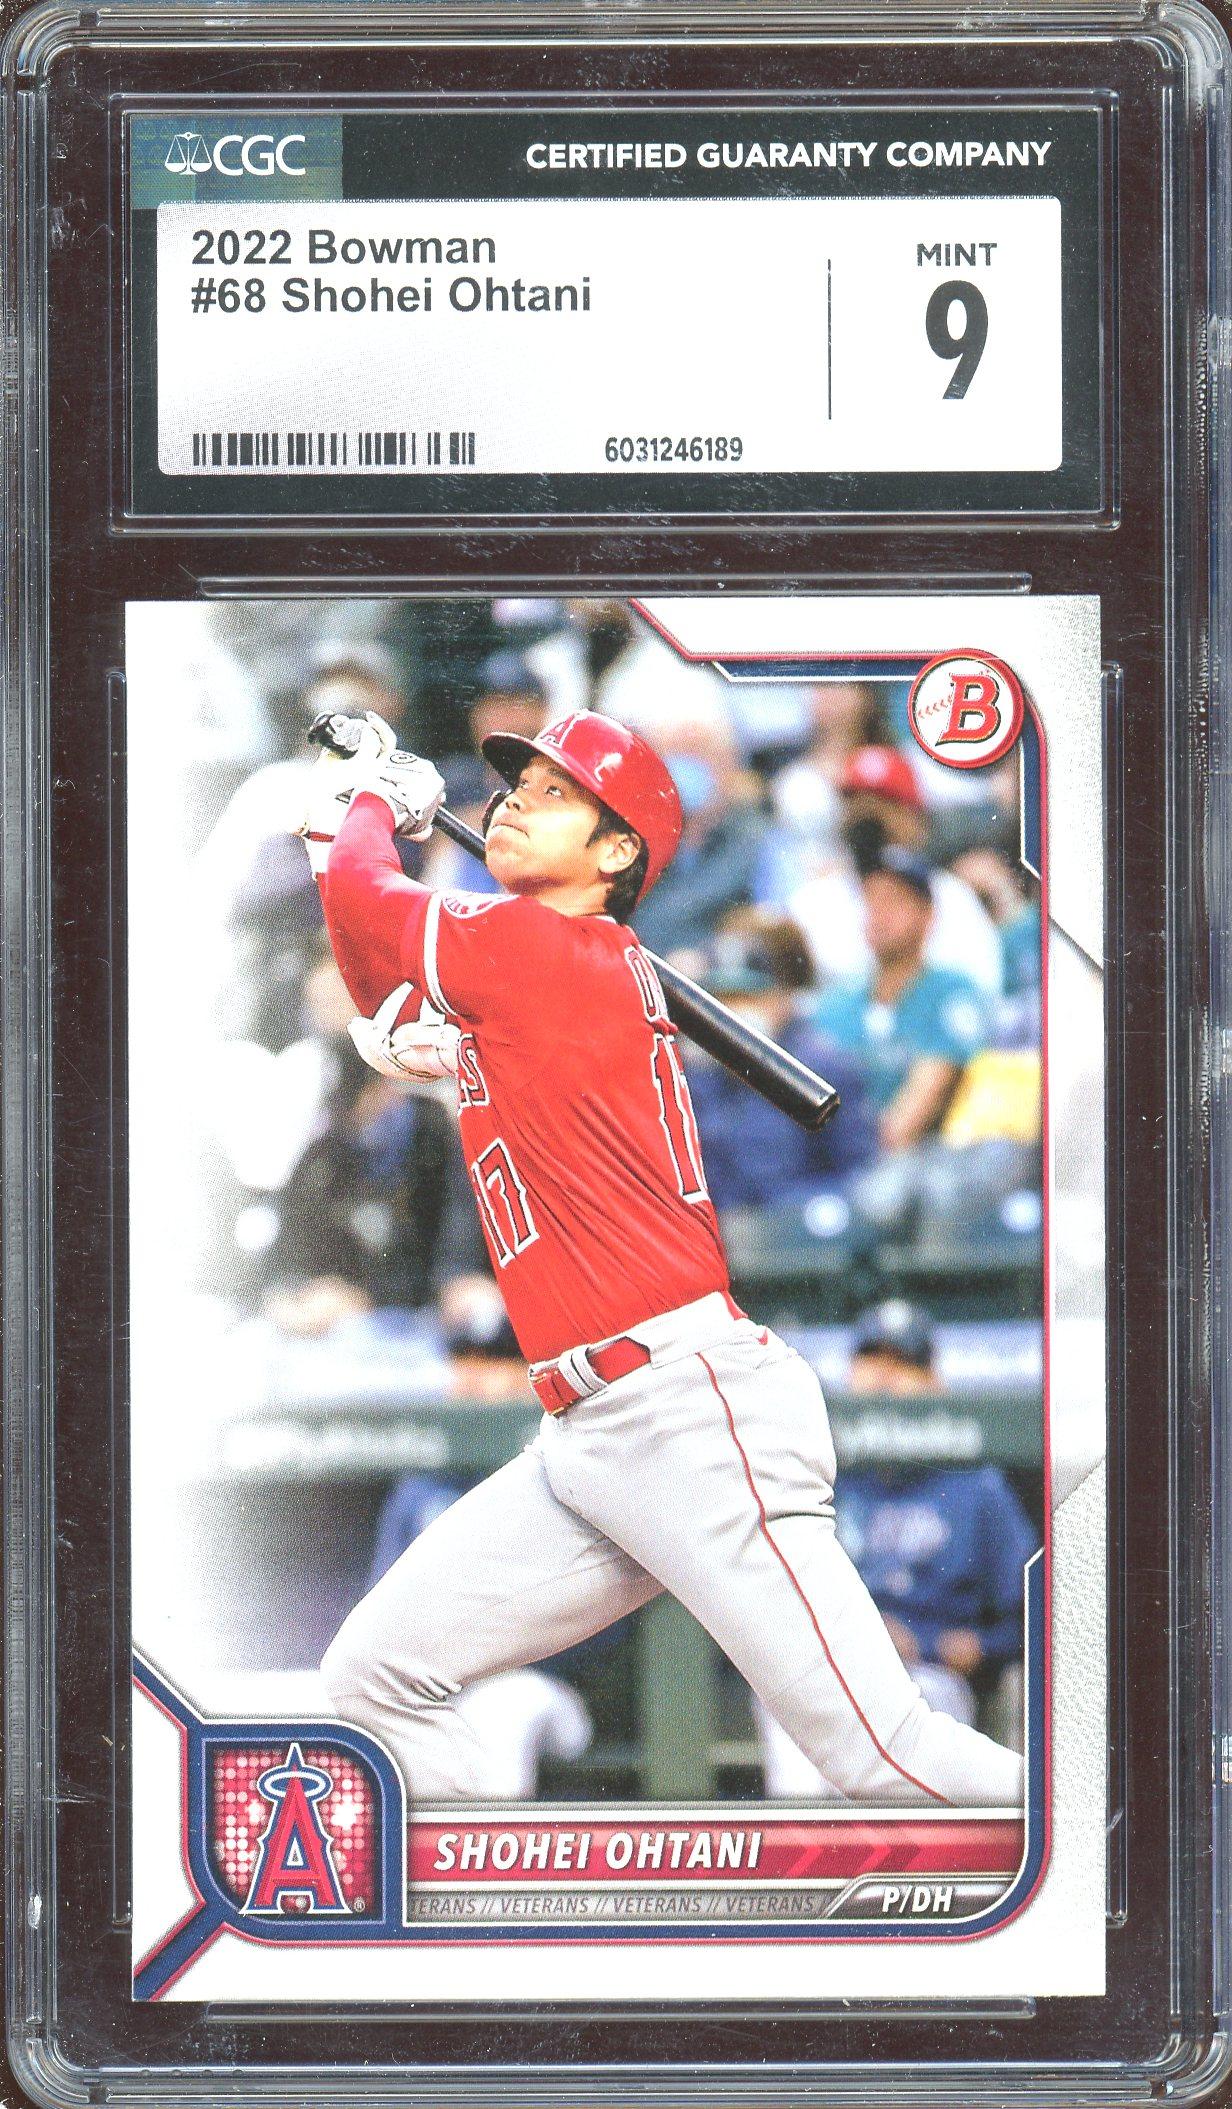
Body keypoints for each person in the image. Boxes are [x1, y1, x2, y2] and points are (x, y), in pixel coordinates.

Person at [301, 706, 1023, 1808]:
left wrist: (364, 807)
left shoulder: (545, 947)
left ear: (616, 851)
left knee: (880, 1752)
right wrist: (345, 841)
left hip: (689, 1411)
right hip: (589, 1436)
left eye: (554, 795)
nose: (514, 802)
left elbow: (370, 907)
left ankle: (1113, 1854)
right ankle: (488, 1912)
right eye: (515, 787)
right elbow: (372, 973)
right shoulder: (546, 968)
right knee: (374, 1674)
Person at [757, 1300, 1036, 1794]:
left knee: (923, 1704)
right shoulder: (820, 1473)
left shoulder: (977, 1485)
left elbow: (1035, 1613)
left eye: (904, 1364)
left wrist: (963, 1646)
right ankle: (803, 1840)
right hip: (826, 1666)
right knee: (783, 1695)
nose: (885, 1378)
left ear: (934, 1382)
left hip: (926, 1675)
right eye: (872, 1361)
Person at [811, 848, 989, 1154]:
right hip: (834, 1161)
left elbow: (909, 1118)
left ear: (928, 914)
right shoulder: (837, 1002)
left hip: (912, 1162)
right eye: (871, 899)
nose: (879, 913)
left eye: (894, 900)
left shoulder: (952, 994)